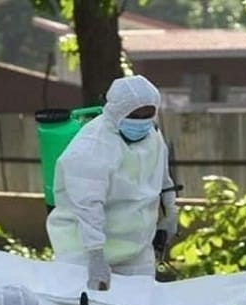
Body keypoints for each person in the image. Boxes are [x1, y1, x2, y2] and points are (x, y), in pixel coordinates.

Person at [46, 75, 178, 290]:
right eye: (134, 115)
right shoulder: (90, 148)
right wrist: (95, 256)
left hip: (137, 250)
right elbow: (88, 208)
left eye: (147, 114)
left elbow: (163, 177)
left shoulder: (152, 135)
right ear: (117, 111)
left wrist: (171, 212)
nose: (141, 121)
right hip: (85, 252)